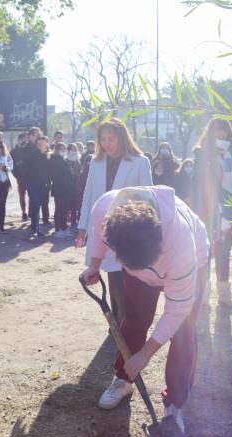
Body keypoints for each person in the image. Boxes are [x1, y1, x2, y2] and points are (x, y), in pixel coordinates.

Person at [80, 186, 208, 431]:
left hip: (190, 263)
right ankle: (123, 379)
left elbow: (177, 310)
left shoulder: (180, 243)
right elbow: (98, 234)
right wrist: (94, 265)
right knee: (135, 319)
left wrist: (146, 354)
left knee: (183, 333)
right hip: (140, 272)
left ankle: (175, 402)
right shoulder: (105, 210)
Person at [76, 118, 153, 406]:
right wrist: (83, 226)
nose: (107, 144)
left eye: (112, 138)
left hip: (128, 232)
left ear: (122, 138)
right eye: (103, 139)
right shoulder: (96, 163)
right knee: (113, 282)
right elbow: (89, 197)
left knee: (126, 282)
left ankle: (123, 332)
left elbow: (148, 197)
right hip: (102, 232)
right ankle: (117, 330)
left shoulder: (139, 161)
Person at [191, 118, 232, 310]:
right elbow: (199, 182)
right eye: (217, 130)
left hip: (231, 209)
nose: (221, 134)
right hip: (208, 211)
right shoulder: (202, 153)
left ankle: (224, 296)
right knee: (205, 253)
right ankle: (203, 296)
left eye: (224, 130)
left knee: (224, 253)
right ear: (210, 133)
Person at [23, 128, 51, 237]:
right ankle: (35, 228)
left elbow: (46, 164)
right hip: (31, 180)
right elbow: (27, 163)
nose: (36, 137)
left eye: (38, 135)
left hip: (42, 180)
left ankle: (35, 227)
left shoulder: (42, 147)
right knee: (35, 203)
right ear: (29, 136)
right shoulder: (27, 148)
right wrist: (39, 151)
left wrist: (44, 152)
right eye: (34, 135)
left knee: (37, 204)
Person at [49, 142, 74, 238]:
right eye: (61, 149)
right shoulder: (54, 160)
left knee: (64, 209)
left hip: (66, 189)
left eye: (64, 149)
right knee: (59, 209)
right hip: (59, 188)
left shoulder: (63, 160)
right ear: (57, 150)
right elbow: (55, 175)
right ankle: (58, 229)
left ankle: (64, 227)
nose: (63, 151)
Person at [11, 132, 29, 221]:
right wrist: (17, 176)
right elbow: (10, 166)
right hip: (20, 178)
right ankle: (23, 212)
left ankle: (31, 212)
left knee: (32, 196)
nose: (25, 141)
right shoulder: (12, 152)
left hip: (31, 177)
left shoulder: (28, 149)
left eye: (26, 139)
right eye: (23, 139)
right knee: (22, 196)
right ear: (18, 140)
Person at [67, 143, 84, 230]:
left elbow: (80, 173)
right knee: (70, 206)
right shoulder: (66, 160)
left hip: (77, 186)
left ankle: (76, 222)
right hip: (68, 187)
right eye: (71, 149)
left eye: (75, 149)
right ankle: (70, 223)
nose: (73, 151)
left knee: (77, 205)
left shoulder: (78, 160)